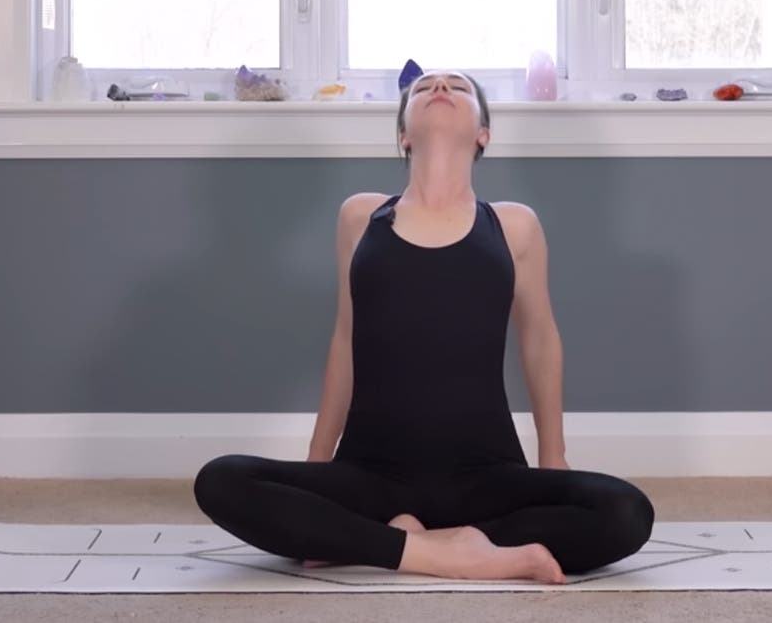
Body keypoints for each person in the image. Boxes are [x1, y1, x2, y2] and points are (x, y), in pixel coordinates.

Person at [194, 72, 654, 584]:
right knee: (221, 480)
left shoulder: (513, 225)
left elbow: (540, 340)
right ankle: (443, 552)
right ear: (404, 134)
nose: (439, 88)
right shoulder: (361, 217)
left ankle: (375, 540)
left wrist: (554, 458)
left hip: (486, 477)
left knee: (627, 512)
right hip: (370, 474)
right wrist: (315, 467)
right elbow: (345, 340)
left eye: (458, 87)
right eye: (423, 88)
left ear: (484, 133)